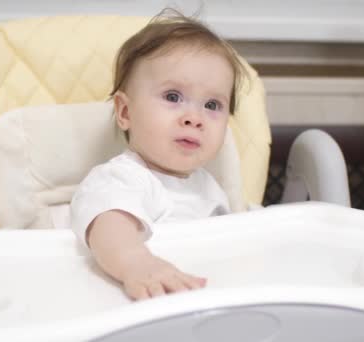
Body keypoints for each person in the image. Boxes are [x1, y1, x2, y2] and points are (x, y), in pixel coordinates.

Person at [70, 9, 247, 301]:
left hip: (203, 299)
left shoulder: (210, 187)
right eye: (173, 97)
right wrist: (136, 263)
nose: (195, 118)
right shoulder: (122, 178)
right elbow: (109, 227)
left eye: (213, 105)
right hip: (142, 304)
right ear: (126, 112)